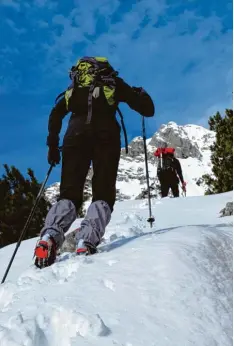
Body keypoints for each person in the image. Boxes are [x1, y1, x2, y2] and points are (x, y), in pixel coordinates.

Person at [34, 56, 155, 268]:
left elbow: (56, 114)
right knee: (102, 192)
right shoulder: (113, 83)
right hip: (106, 138)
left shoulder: (76, 88)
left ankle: (50, 237)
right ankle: (86, 241)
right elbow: (147, 109)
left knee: (69, 194)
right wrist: (141, 94)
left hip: (74, 137)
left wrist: (53, 145)